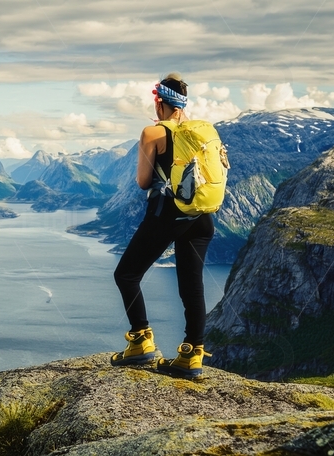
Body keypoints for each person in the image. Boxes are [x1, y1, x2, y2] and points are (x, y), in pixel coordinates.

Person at [109, 73, 214, 379]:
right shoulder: (203, 131)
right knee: (191, 286)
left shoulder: (152, 133)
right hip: (201, 217)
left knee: (126, 274)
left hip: (167, 215)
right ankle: (192, 356)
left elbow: (143, 182)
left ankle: (141, 341)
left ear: (159, 102)